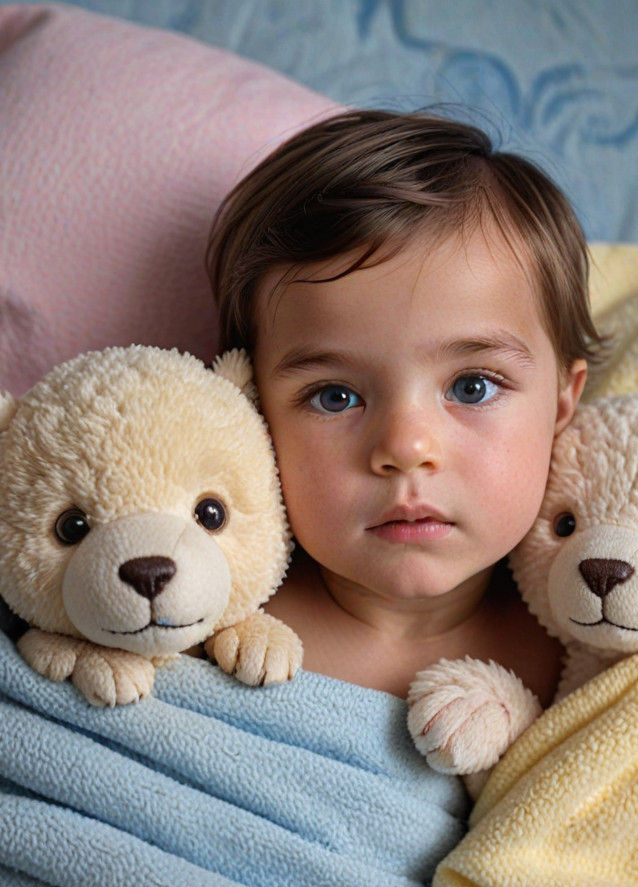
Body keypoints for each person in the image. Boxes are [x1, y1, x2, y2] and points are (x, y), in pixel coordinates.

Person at [206, 108, 600, 704]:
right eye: (335, 397)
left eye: (473, 386)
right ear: (252, 411)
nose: (406, 447)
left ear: (562, 403)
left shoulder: (588, 650)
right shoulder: (204, 609)